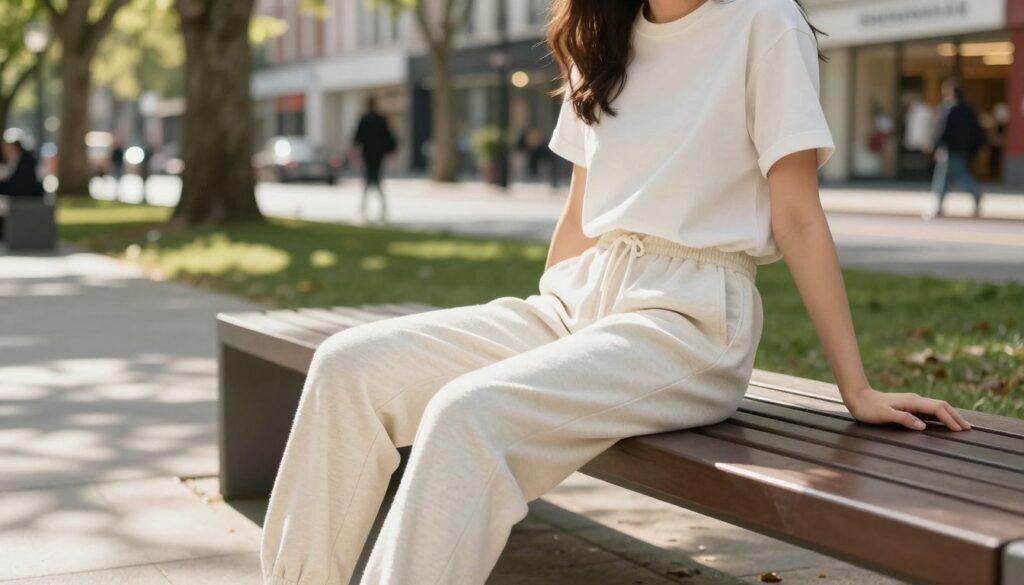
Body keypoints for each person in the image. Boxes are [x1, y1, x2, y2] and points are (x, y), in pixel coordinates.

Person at [260, 2, 973, 584]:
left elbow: (798, 216)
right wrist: (549, 323)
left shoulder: (763, 23)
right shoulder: (603, 31)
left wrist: (857, 387)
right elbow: (578, 210)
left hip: (690, 317)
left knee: (467, 416)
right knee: (347, 366)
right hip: (580, 297)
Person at [924, 79, 985, 220]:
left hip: (949, 149)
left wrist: (934, 143)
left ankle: (975, 194)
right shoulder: (969, 109)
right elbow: (978, 131)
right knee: (947, 177)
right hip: (963, 149)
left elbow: (942, 129)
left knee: (952, 177)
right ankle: (939, 206)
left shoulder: (948, 109)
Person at [351, 96, 397, 224]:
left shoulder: (365, 119)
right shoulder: (380, 119)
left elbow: (356, 138)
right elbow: (389, 137)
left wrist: (354, 153)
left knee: (368, 183)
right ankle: (381, 209)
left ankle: (364, 209)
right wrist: (391, 152)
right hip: (378, 156)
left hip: (368, 155)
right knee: (377, 182)